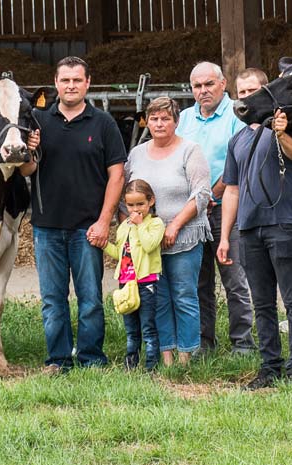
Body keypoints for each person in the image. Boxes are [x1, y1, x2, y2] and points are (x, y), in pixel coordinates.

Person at [20, 56, 127, 373]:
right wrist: (30, 149)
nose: (70, 86)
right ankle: (58, 359)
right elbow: (26, 169)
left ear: (88, 83)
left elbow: (117, 176)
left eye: (77, 80)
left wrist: (104, 220)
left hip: (87, 228)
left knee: (90, 298)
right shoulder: (39, 120)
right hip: (46, 227)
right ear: (55, 83)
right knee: (53, 299)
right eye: (65, 80)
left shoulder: (103, 123)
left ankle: (92, 358)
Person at [217, 68, 292, 390]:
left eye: (252, 91)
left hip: (285, 225)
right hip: (249, 229)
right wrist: (226, 235)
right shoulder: (237, 140)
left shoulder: (286, 128)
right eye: (241, 93)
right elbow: (231, 189)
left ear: (266, 92)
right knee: (262, 303)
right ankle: (269, 366)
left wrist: (283, 133)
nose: (246, 97)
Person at [176, 61, 257, 356]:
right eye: (197, 86)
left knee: (234, 278)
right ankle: (203, 342)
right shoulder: (184, 118)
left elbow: (241, 161)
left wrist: (212, 193)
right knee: (198, 281)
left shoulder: (237, 114)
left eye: (209, 84)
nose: (203, 91)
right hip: (193, 211)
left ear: (223, 84)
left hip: (227, 209)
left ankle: (242, 343)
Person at [126, 96, 212, 366]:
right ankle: (166, 356)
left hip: (184, 234)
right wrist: (133, 228)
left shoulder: (190, 150)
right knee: (158, 298)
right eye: (154, 118)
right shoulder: (137, 153)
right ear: (147, 121)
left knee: (184, 294)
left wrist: (174, 225)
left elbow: (201, 193)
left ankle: (187, 355)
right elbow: (126, 193)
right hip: (149, 241)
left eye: (166, 118)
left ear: (176, 121)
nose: (159, 123)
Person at [102, 180, 165, 371]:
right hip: (126, 283)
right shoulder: (124, 226)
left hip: (146, 283)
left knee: (148, 328)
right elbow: (120, 253)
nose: (136, 209)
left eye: (140, 204)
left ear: (150, 201)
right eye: (131, 205)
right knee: (131, 330)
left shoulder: (155, 223)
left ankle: (151, 367)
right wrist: (103, 245)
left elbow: (149, 245)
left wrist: (139, 226)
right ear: (125, 204)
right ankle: (131, 365)